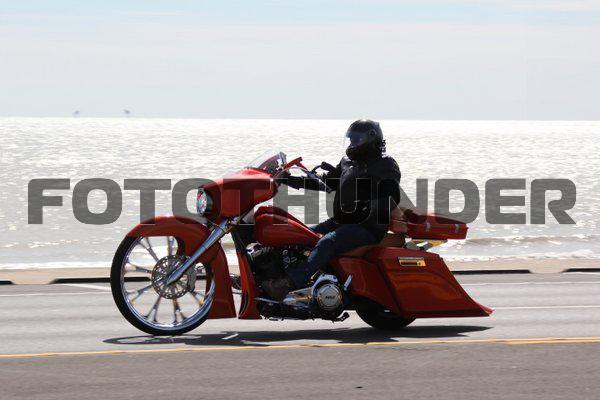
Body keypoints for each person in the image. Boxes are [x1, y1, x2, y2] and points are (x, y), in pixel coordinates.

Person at [262, 119, 401, 300]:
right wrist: (288, 179)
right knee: (298, 235)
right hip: (341, 221)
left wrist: (367, 205)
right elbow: (325, 181)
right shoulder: (348, 162)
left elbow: (390, 198)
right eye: (351, 139)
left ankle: (289, 284)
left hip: (368, 226)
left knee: (328, 242)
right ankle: (269, 276)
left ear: (371, 139)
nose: (352, 143)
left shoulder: (386, 165)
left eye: (357, 139)